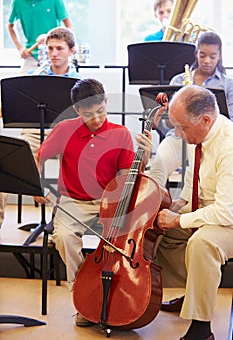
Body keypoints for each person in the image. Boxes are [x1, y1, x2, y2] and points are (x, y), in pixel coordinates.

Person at [34, 78, 154, 324]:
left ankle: (117, 295)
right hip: (72, 201)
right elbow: (39, 156)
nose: (97, 118)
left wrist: (144, 159)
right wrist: (36, 185)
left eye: (101, 111)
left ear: (106, 102)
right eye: (89, 114)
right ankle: (84, 299)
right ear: (77, 110)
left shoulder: (120, 134)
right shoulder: (64, 129)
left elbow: (125, 178)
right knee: (65, 238)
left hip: (107, 202)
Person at [156, 85, 233, 340]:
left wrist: (179, 219)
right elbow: (192, 186)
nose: (178, 133)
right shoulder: (198, 136)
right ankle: (192, 293)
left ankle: (201, 329)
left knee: (202, 243)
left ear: (206, 119)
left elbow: (225, 212)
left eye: (182, 127)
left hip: (229, 219)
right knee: (159, 233)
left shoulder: (229, 146)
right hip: (213, 211)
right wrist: (172, 208)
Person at [149, 31, 233, 189]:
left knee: (198, 181)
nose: (207, 61)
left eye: (212, 56)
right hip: (178, 137)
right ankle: (152, 207)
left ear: (220, 55)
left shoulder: (228, 84)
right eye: (202, 55)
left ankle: (193, 210)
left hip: (210, 141)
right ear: (196, 53)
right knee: (157, 170)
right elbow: (167, 126)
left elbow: (230, 120)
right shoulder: (178, 80)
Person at [21, 26, 82, 157]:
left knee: (79, 153)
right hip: (36, 132)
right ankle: (34, 178)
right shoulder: (33, 76)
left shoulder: (80, 81)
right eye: (50, 48)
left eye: (59, 48)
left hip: (68, 133)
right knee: (23, 150)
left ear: (71, 51)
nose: (54, 54)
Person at [8, 0, 73, 74]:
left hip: (54, 53)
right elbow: (10, 26)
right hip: (32, 54)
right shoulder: (17, 1)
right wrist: (20, 48)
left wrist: (61, 46)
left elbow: (69, 26)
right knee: (21, 84)